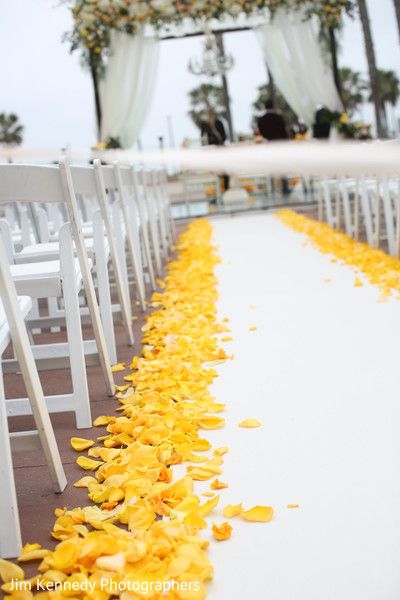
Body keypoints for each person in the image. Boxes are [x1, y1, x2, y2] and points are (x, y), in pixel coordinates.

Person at [200, 107, 229, 192]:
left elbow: (223, 137)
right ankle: (218, 190)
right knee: (216, 170)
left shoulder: (218, 123)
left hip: (218, 150)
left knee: (223, 170)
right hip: (212, 151)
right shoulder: (205, 124)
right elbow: (202, 138)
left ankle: (224, 189)